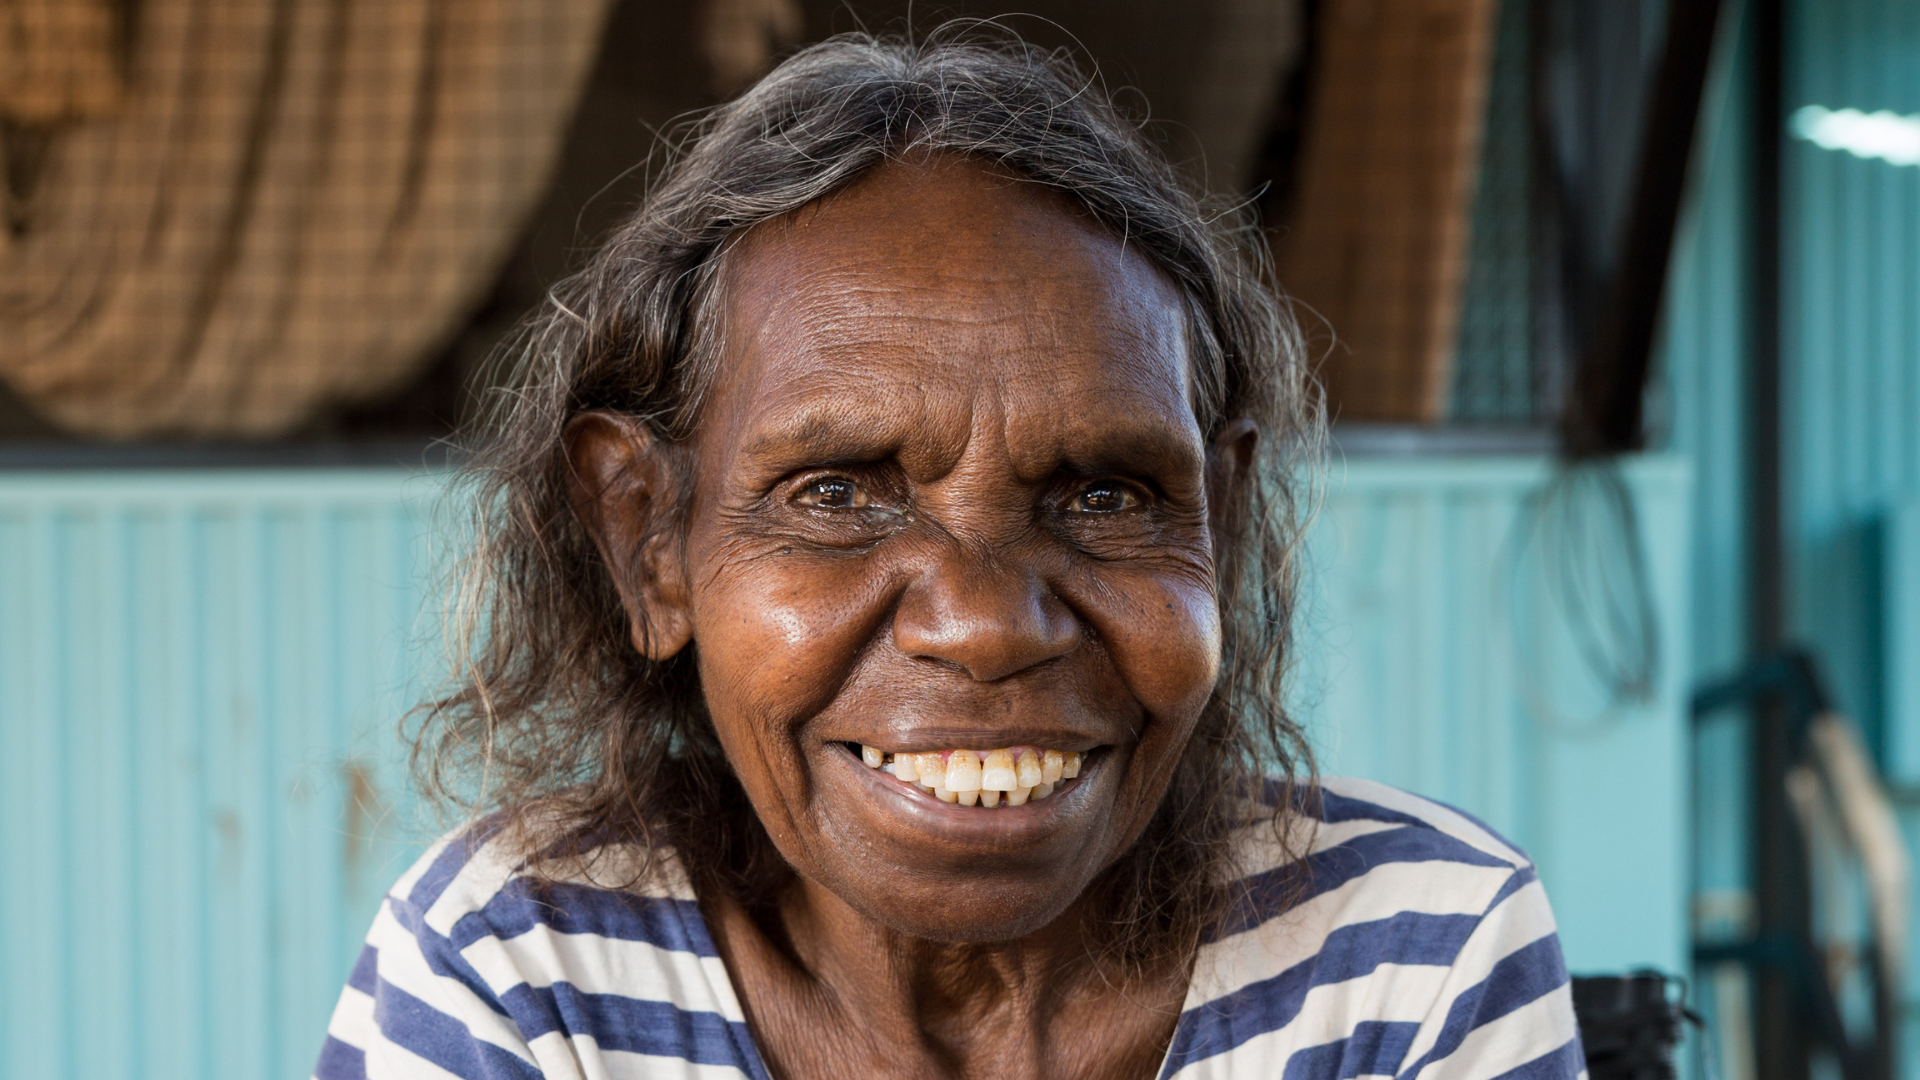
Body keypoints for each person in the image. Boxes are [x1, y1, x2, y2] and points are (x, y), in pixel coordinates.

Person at [314, 28, 1583, 1080]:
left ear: (1225, 525)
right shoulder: (522, 970)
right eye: (837, 493)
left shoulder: (1414, 951)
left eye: (1102, 495)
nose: (985, 624)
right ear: (649, 544)